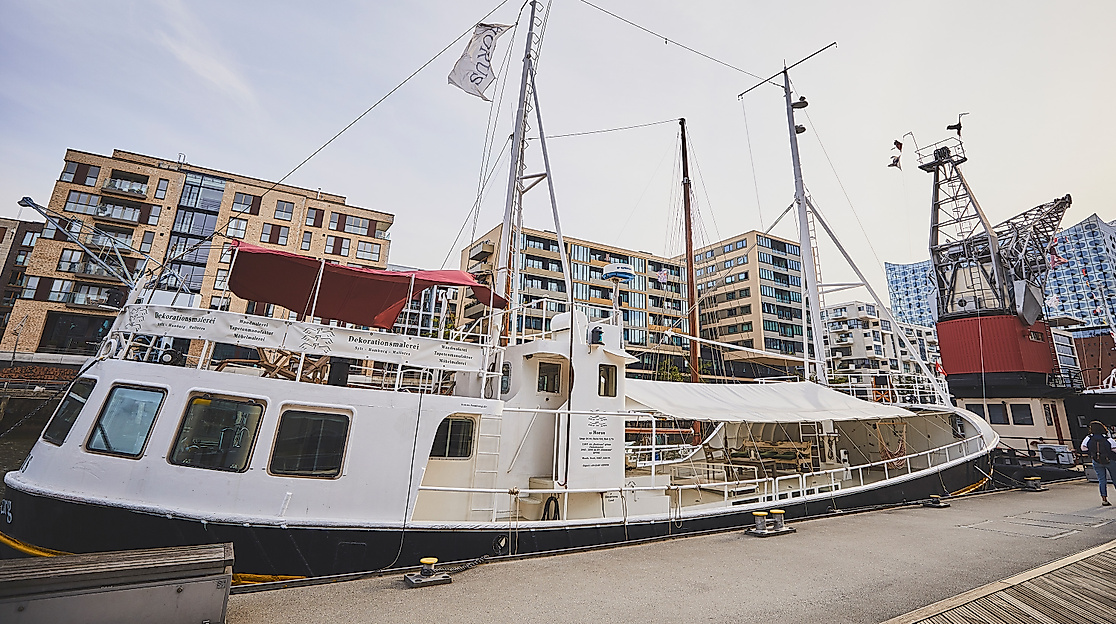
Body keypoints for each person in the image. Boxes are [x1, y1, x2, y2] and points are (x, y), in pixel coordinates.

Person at [1080, 421, 1116, 506]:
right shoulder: (1107, 439)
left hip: (1096, 460)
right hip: (1110, 460)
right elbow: (1114, 449)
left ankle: (1104, 499)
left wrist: (1091, 451)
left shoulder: (1088, 438)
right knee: (1115, 478)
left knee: (1101, 480)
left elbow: (1083, 448)